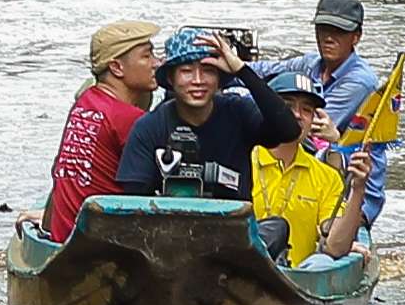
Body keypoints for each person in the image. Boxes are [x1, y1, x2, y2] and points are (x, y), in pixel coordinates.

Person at [113, 25, 310, 214]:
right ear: (171, 79)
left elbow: (289, 131)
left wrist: (242, 70)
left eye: (208, 71)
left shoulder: (238, 111)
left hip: (232, 230)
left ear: (219, 79)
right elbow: (132, 199)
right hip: (166, 230)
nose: (198, 80)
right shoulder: (149, 127)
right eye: (186, 71)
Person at [39, 16, 161, 242]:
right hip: (98, 244)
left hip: (66, 233)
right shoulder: (128, 119)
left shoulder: (86, 101)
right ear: (116, 67)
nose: (157, 63)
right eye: (147, 56)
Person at [296, 0, 399, 255]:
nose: (329, 38)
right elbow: (264, 71)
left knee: (326, 238)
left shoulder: (359, 82)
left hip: (354, 190)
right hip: (315, 176)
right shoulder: (309, 65)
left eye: (339, 32)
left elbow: (304, 130)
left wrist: (335, 141)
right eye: (323, 29)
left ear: (356, 37)